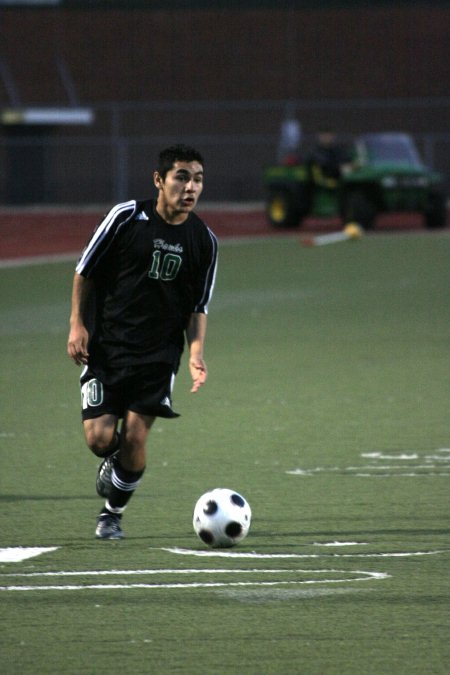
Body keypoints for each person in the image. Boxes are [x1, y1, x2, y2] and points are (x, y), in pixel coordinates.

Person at [67, 144, 218, 540]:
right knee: (100, 440)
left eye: (197, 179)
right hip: (107, 347)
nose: (190, 187)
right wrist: (77, 326)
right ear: (159, 180)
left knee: (136, 436)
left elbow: (198, 306)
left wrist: (196, 354)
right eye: (181, 177)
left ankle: (111, 514)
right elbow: (85, 271)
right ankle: (115, 464)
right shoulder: (126, 217)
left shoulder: (203, 240)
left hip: (158, 355)